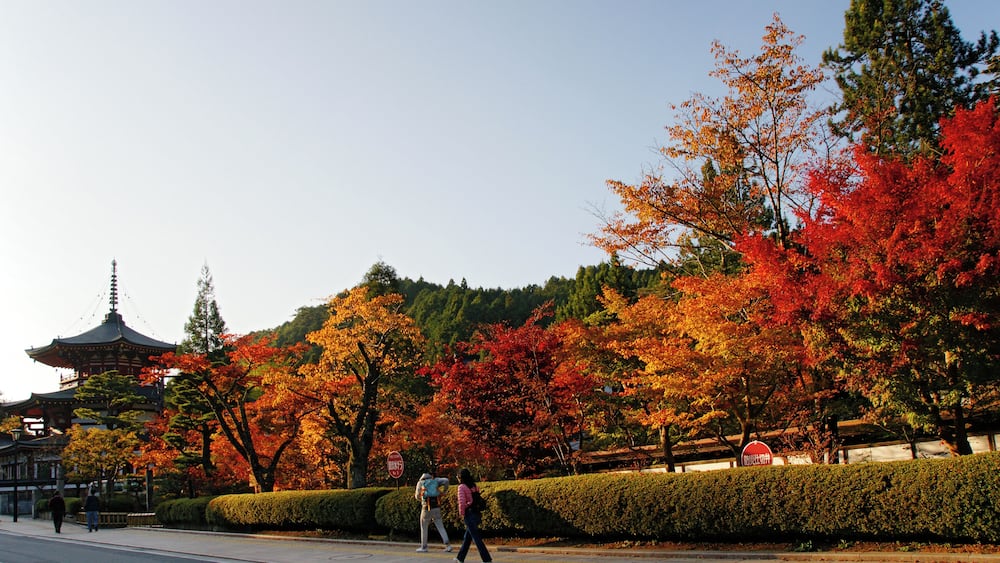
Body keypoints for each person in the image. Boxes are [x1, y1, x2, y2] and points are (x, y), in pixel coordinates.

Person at [454, 468, 491, 563]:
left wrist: (461, 514)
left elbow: (462, 503)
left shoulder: (461, 487)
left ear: (460, 478)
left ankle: (487, 559)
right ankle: (460, 558)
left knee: (476, 539)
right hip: (477, 514)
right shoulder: (474, 486)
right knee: (467, 538)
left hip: (469, 514)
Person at [414, 472, 452, 553]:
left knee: (424, 527)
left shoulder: (420, 483)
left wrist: (421, 500)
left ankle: (424, 547)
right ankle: (448, 545)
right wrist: (444, 491)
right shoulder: (435, 480)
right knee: (440, 526)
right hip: (436, 506)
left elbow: (417, 496)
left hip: (426, 507)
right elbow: (446, 480)